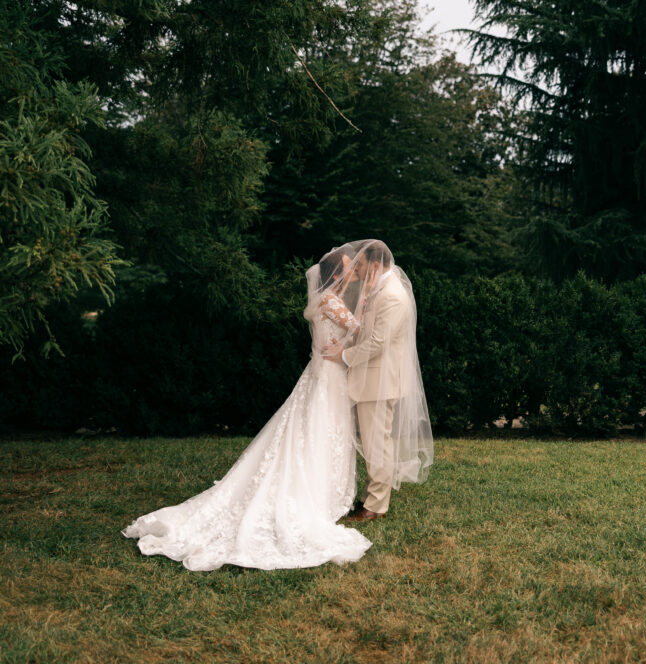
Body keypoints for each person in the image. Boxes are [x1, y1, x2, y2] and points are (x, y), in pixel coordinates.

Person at [121, 247, 371, 570]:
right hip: (328, 376)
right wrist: (364, 305)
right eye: (349, 270)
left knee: (322, 432)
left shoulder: (324, 301)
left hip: (327, 374)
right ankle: (318, 496)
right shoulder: (331, 302)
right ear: (337, 274)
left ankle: (329, 493)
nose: (353, 275)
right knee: (319, 432)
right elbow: (358, 329)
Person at [323, 240, 433, 520]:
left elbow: (377, 342)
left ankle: (375, 507)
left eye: (359, 265)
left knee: (377, 444)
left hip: (380, 381)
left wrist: (344, 356)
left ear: (374, 265)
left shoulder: (392, 295)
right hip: (374, 379)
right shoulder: (380, 288)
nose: (356, 269)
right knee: (375, 443)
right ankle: (372, 497)